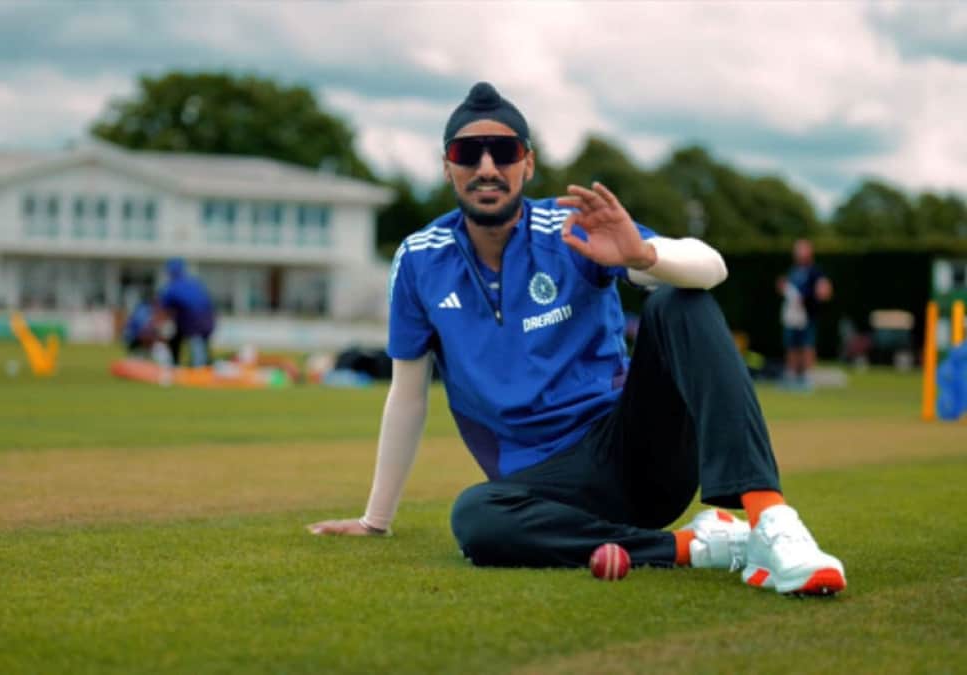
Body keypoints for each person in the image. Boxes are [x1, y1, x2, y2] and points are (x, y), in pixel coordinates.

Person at [308, 82, 845, 596]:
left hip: (635, 453)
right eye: (468, 153)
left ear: (528, 163)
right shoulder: (419, 259)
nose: (487, 167)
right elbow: (407, 394)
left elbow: (712, 268)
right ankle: (698, 547)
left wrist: (643, 256)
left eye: (504, 151)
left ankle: (772, 522)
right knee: (475, 517)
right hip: (543, 488)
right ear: (448, 167)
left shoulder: (569, 227)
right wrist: (375, 520)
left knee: (679, 299)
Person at [777, 239, 833, 389]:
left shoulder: (815, 271)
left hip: (807, 315)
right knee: (792, 345)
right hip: (792, 315)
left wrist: (815, 296)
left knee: (807, 345)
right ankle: (791, 374)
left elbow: (824, 290)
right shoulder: (793, 270)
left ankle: (807, 376)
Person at [157, 258, 215, 367]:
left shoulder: (172, 287)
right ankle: (203, 365)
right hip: (208, 319)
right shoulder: (194, 283)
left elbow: (163, 309)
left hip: (193, 321)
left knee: (196, 347)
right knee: (199, 344)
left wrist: (159, 327)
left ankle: (198, 368)